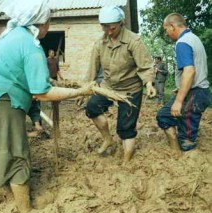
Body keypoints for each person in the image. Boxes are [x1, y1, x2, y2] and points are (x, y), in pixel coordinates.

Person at [0, 0, 93, 213]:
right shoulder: (31, 46)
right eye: (49, 21)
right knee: (16, 152)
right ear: (42, 22)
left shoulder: (11, 35)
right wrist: (80, 91)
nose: (49, 25)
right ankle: (26, 211)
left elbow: (20, 71)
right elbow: (42, 93)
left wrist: (48, 82)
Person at [84, 6, 156, 164]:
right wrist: (85, 89)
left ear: (121, 23)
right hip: (108, 87)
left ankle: (126, 160)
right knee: (92, 107)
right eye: (104, 27)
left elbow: (145, 66)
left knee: (125, 127)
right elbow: (92, 69)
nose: (109, 32)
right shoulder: (100, 43)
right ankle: (107, 139)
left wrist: (149, 84)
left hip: (130, 90)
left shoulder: (133, 41)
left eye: (112, 28)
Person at [156, 13, 211, 153]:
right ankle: (177, 152)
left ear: (173, 26)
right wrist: (180, 88)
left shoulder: (182, 42)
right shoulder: (194, 38)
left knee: (186, 139)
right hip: (199, 92)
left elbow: (190, 71)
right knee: (164, 116)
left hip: (195, 93)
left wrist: (179, 101)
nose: (167, 33)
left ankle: (186, 160)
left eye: (166, 29)